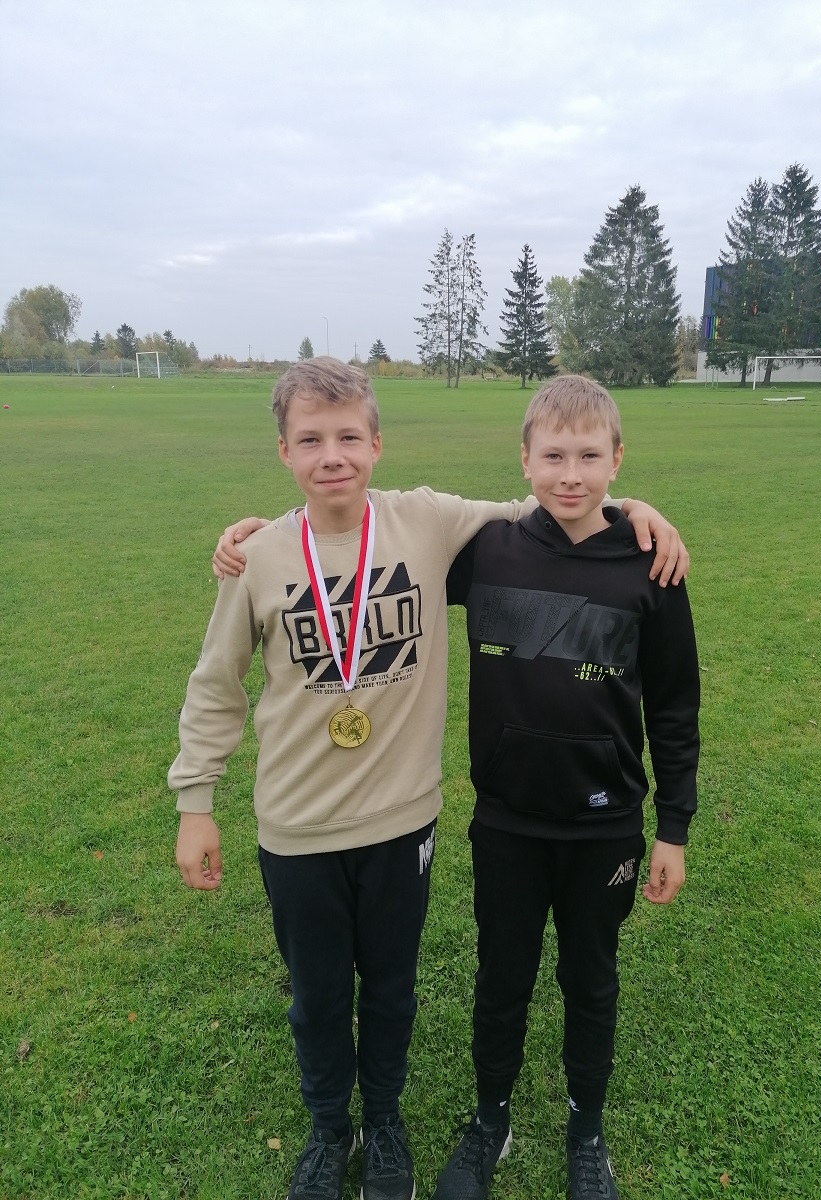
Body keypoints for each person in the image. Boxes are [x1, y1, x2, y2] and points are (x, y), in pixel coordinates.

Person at [176, 358, 687, 1200]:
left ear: (377, 444)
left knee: (392, 990)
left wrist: (637, 511)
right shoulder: (261, 557)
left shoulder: (425, 522)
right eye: (311, 440)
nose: (332, 455)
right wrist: (196, 801)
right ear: (284, 451)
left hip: (401, 821)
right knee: (315, 998)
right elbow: (215, 685)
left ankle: (383, 1123)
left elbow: (552, 506)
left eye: (349, 437)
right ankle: (329, 1130)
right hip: (296, 827)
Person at [430, 376, 701, 1200]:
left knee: (591, 982)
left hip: (604, 828)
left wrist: (674, 827)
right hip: (507, 824)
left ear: (617, 459)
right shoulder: (487, 552)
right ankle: (491, 1120)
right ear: (525, 459)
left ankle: (587, 1132)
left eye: (589, 456)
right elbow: (371, 546)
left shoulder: (653, 566)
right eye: (553, 456)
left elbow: (675, 706)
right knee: (501, 979)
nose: (571, 475)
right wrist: (269, 534)